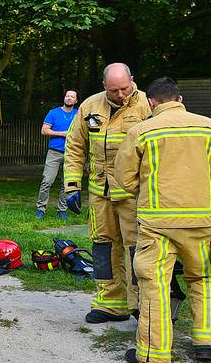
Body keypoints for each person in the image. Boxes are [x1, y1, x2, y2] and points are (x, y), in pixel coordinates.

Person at [114, 78, 211, 363]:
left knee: (154, 285)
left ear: (152, 103)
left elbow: (125, 177)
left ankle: (154, 355)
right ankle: (210, 341)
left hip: (157, 223)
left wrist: (148, 192)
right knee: (205, 278)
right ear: (179, 99)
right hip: (201, 221)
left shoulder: (141, 131)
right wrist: (199, 190)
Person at [63, 63, 152, 324]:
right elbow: (75, 146)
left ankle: (141, 304)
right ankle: (110, 303)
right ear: (104, 86)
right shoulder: (90, 106)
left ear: (132, 79)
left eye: (124, 88)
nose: (120, 94)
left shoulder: (147, 105)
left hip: (134, 193)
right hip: (100, 192)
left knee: (137, 248)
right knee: (103, 246)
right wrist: (72, 186)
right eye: (114, 90)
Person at [36, 90, 79, 219]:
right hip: (54, 153)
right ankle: (40, 209)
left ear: (76, 100)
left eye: (72, 97)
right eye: (67, 96)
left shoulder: (78, 114)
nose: (69, 98)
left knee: (66, 184)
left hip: (71, 153)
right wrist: (63, 134)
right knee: (47, 181)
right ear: (64, 98)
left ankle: (62, 210)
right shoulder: (53, 113)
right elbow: (44, 131)